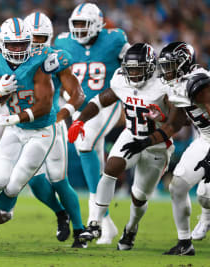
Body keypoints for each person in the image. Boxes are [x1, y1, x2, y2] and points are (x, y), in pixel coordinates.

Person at [70, 43, 174, 251]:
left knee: (139, 196)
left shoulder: (164, 84)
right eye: (130, 69)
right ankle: (95, 223)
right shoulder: (120, 79)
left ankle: (131, 228)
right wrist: (80, 120)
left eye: (138, 69)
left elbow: (178, 122)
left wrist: (162, 117)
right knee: (110, 169)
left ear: (151, 67)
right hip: (131, 135)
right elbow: (99, 101)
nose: (133, 74)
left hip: (157, 145)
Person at [121, 42, 210, 255]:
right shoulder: (179, 84)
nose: (166, 70)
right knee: (177, 186)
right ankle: (184, 243)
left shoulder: (200, 84)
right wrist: (145, 142)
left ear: (184, 63)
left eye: (171, 65)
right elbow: (174, 125)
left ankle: (205, 218)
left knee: (206, 197)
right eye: (165, 65)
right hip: (204, 138)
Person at [54, 2, 130, 244]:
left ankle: (96, 216)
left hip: (106, 103)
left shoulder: (115, 39)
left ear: (97, 24)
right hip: (78, 108)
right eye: (75, 24)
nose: (78, 29)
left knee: (85, 144)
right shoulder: (63, 43)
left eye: (83, 24)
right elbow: (55, 75)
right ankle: (103, 220)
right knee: (90, 154)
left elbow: (132, 66)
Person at [0, 18, 56, 231]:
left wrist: (12, 118)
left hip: (41, 131)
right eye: (12, 44)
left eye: (22, 44)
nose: (18, 49)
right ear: (2, 43)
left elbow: (45, 105)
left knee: (15, 183)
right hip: (14, 130)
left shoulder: (40, 60)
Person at [23, 11, 87, 248]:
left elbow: (78, 94)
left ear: (48, 38)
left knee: (59, 180)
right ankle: (61, 213)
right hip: (24, 126)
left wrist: (62, 115)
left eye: (42, 37)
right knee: (34, 181)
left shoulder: (56, 58)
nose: (38, 42)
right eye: (33, 37)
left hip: (50, 123)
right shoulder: (13, 56)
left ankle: (80, 230)